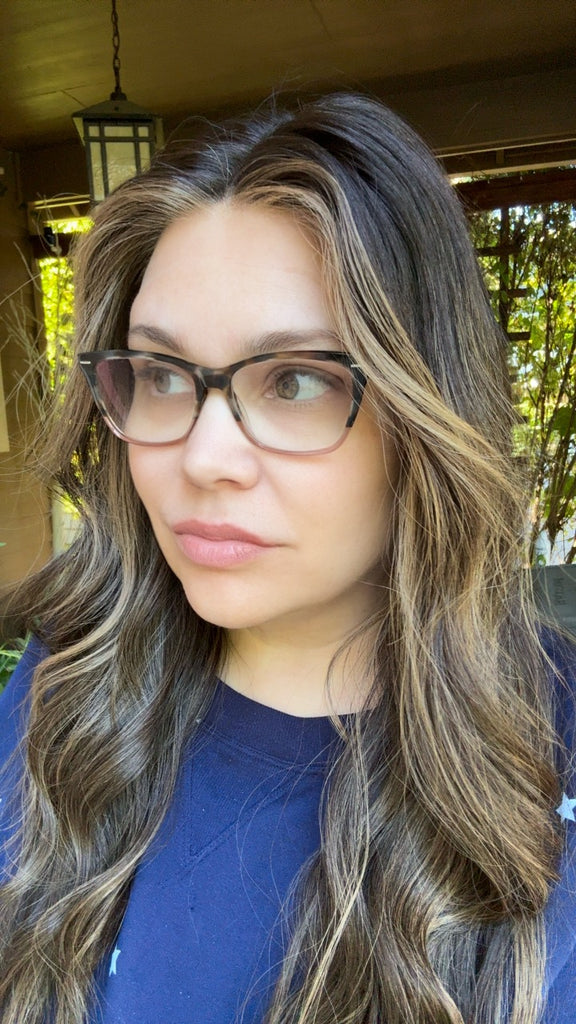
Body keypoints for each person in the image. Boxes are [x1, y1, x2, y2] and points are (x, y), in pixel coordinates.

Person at [0, 92, 575, 1024]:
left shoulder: (554, 748)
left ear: (428, 412)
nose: (203, 458)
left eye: (297, 380)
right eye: (160, 375)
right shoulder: (67, 685)